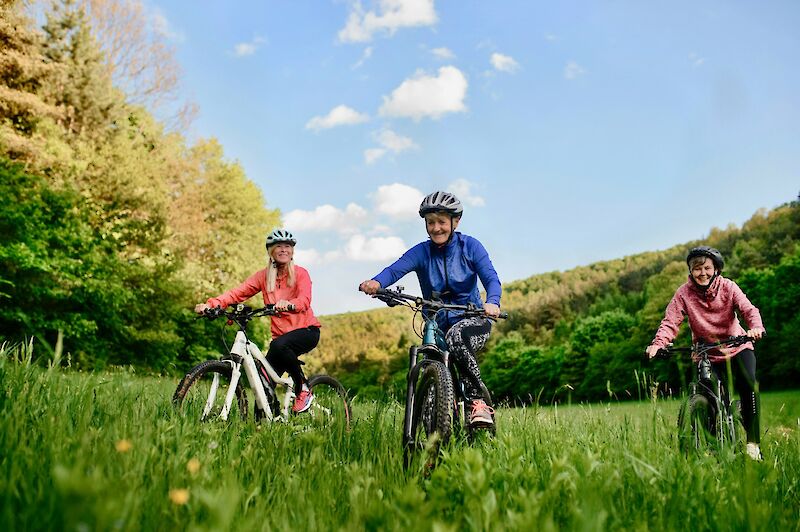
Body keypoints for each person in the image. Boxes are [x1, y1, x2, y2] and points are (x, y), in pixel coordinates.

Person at [359, 191, 502, 428]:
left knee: (457, 337)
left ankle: (477, 402)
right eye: (431, 222)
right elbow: (395, 270)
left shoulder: (471, 247)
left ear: (455, 222)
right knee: (431, 356)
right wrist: (377, 283)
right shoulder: (421, 252)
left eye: (442, 222)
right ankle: (435, 428)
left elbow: (491, 278)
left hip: (472, 319)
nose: (436, 228)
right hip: (436, 322)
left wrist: (493, 302)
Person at [645, 246, 766, 460]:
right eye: (697, 269)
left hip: (737, 346)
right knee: (707, 395)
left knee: (748, 383)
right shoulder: (683, 293)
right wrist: (658, 343)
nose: (702, 273)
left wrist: (755, 327)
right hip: (705, 353)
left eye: (707, 268)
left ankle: (752, 445)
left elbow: (748, 309)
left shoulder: (728, 287)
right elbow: (670, 321)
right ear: (690, 271)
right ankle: (713, 447)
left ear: (716, 269)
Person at [195, 229, 322, 414]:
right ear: (271, 251)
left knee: (279, 345)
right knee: (262, 387)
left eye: (288, 246)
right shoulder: (263, 277)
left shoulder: (301, 273)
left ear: (292, 251)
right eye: (279, 246)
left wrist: (289, 304)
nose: (284, 249)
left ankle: (302, 388)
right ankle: (267, 423)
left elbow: (304, 300)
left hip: (307, 331)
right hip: (281, 338)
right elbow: (237, 293)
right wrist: (211, 304)